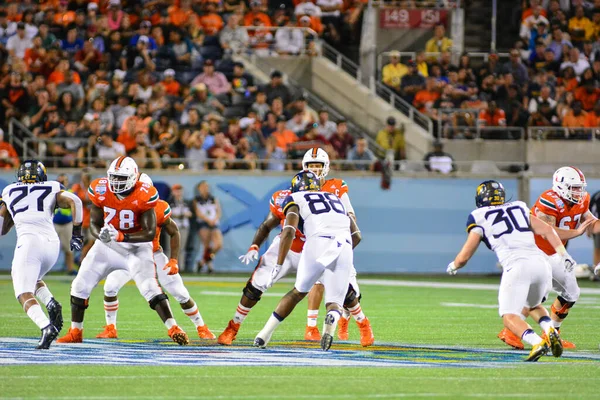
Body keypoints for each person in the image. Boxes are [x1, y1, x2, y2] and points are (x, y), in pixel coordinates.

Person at [218, 148, 373, 347]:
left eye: (318, 167)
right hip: (292, 247)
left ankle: (362, 323)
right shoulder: (299, 197)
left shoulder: (330, 192)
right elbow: (276, 228)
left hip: (313, 246)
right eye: (311, 167)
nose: (315, 171)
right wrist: (256, 245)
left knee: (343, 291)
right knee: (256, 284)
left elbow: (350, 223)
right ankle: (234, 327)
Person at [57, 156, 189, 345]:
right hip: (107, 246)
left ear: (134, 177)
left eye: (121, 178)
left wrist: (121, 236)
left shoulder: (144, 194)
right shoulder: (100, 189)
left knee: (149, 288)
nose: (116, 182)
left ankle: (173, 328)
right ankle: (75, 332)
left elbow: (149, 232)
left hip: (136, 247)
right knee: (79, 285)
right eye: (114, 177)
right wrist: (100, 233)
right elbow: (94, 222)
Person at [447, 180, 575, 362]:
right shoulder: (520, 207)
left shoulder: (479, 215)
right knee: (533, 306)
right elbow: (547, 230)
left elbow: (464, 257)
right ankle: (550, 330)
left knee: (509, 317)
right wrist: (564, 254)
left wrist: (454, 265)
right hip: (541, 263)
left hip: (517, 266)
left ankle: (537, 342)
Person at [96, 174, 214, 340]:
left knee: (180, 293)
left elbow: (174, 232)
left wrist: (173, 259)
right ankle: (110, 328)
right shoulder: (120, 205)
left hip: (153, 254)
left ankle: (201, 326)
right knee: (109, 287)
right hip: (127, 255)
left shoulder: (157, 207)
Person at [253, 170, 359, 351]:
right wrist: (336, 255)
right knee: (334, 302)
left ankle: (264, 334)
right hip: (344, 245)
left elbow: (289, 231)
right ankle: (332, 317)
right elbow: (357, 235)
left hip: (318, 242)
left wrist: (279, 265)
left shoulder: (294, 198)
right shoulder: (334, 198)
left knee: (297, 293)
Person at [497, 167, 600, 351]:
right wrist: (576, 232)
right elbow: (548, 232)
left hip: (555, 254)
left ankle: (552, 334)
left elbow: (591, 223)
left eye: (580, 187)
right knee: (537, 296)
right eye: (574, 187)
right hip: (536, 251)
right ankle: (510, 330)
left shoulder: (582, 199)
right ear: (561, 185)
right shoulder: (549, 200)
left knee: (571, 293)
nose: (578, 192)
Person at [1, 160, 84, 349]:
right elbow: (75, 201)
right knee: (32, 277)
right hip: (51, 245)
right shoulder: (52, 186)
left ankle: (46, 326)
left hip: (29, 243)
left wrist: (14, 216)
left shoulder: (10, 191)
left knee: (23, 291)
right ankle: (50, 302)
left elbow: (1, 228)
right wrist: (77, 234)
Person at [194, 181, 223, 273]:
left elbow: (218, 211)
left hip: (214, 222)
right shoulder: (196, 200)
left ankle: (202, 262)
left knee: (218, 245)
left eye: (206, 186)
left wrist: (214, 219)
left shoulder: (213, 199)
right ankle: (210, 266)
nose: (205, 188)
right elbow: (198, 213)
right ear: (199, 189)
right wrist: (207, 220)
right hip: (203, 223)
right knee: (206, 245)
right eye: (202, 187)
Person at [53, 174, 77, 275]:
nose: (62, 184)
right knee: (50, 246)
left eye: (64, 182)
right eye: (60, 182)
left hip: (67, 223)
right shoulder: (52, 193)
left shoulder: (70, 193)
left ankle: (70, 269)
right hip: (54, 224)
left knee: (69, 248)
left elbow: (75, 207)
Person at [169, 184, 193, 272]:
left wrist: (180, 215)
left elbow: (190, 213)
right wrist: (181, 215)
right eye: (176, 191)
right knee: (170, 248)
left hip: (184, 226)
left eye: (179, 191)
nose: (178, 193)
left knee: (182, 248)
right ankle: (169, 267)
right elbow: (169, 214)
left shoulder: (185, 202)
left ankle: (181, 267)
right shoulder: (169, 202)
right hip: (172, 227)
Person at [71, 170, 93, 259]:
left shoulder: (92, 187)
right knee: (82, 241)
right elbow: (74, 199)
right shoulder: (77, 187)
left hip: (91, 219)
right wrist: (86, 201)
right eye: (83, 177)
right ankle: (80, 259)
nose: (84, 179)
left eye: (86, 177)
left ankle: (81, 259)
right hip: (81, 219)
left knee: (92, 241)